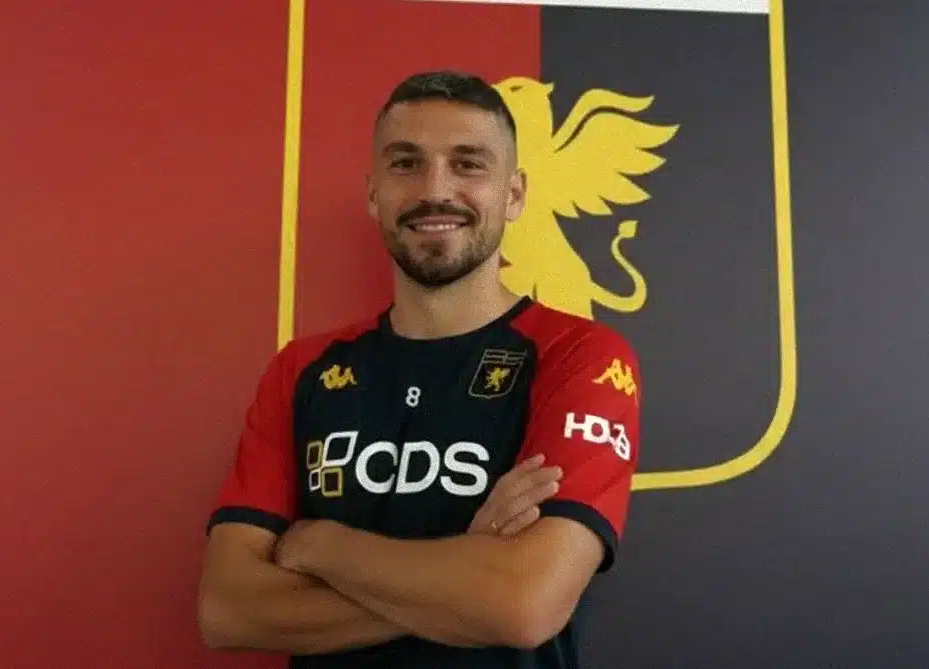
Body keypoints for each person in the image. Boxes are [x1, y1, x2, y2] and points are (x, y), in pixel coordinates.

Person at [197, 70, 643, 668]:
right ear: (374, 193)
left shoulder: (578, 355)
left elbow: (525, 605)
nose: (436, 189)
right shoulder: (303, 369)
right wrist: (469, 571)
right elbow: (229, 610)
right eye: (406, 164)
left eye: (468, 164)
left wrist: (322, 544)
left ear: (514, 195)